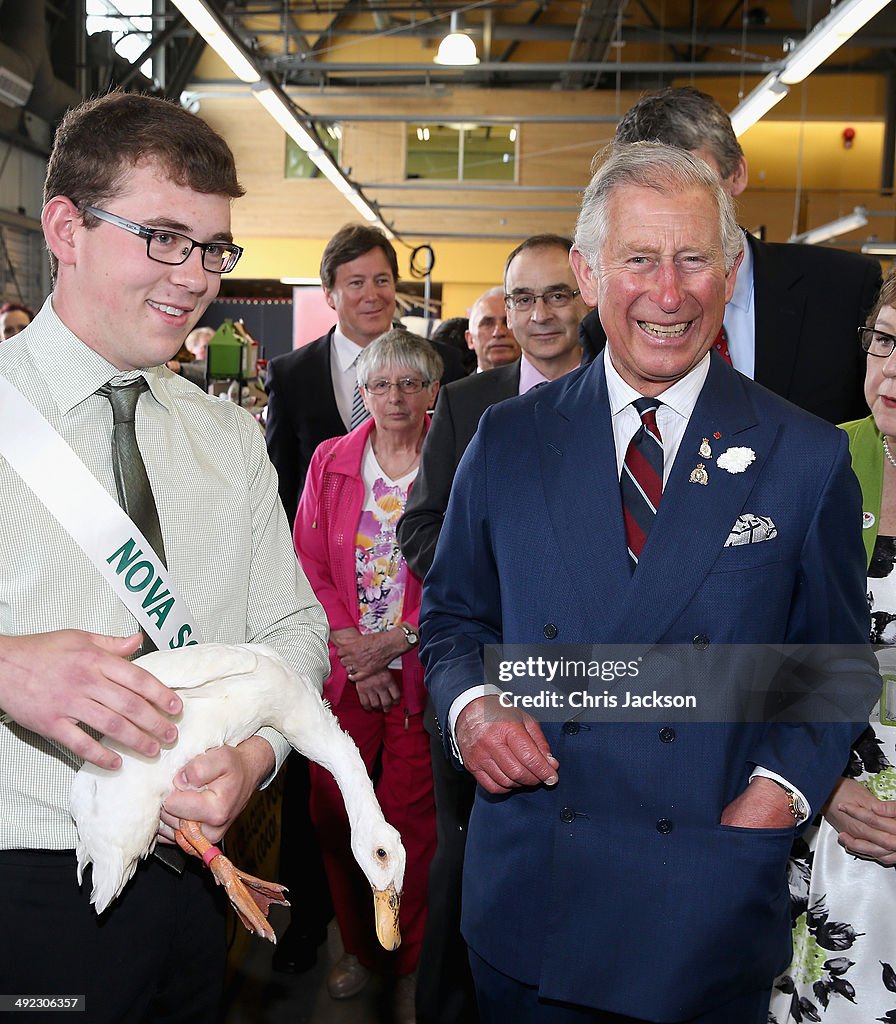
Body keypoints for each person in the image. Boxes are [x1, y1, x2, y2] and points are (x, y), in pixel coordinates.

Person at [419, 142, 880, 1024]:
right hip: (535, 900)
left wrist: (779, 793)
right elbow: (451, 619)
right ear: (590, 274)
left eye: (693, 259)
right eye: (638, 260)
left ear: (732, 269)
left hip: (704, 896)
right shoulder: (509, 441)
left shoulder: (805, 455)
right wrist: (474, 708)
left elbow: (835, 662)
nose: (668, 295)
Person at [0, 91, 329, 1022]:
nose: (196, 277)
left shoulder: (225, 438)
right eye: (164, 237)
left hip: (190, 881)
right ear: (65, 227)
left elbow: (294, 627)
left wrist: (258, 756)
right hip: (22, 871)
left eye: (215, 247)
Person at [398, 233, 588, 1024]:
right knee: (466, 861)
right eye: (521, 298)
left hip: (595, 681)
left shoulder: (628, 400)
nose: (538, 314)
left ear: (586, 294)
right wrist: (506, 576)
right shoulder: (473, 406)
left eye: (555, 295)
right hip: (484, 668)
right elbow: (420, 530)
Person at [294, 326, 440, 1024]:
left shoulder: (456, 460)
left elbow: (462, 570)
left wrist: (396, 644)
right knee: (333, 811)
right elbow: (309, 563)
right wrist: (356, 649)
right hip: (345, 672)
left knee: (411, 823)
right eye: (382, 384)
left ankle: (406, 962)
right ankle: (356, 947)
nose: (396, 397)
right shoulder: (331, 461)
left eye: (411, 383)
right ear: (363, 392)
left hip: (417, 677)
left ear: (433, 390)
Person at [769, 272, 896, 1022]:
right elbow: (748, 657)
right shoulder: (814, 463)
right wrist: (817, 785)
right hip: (820, 810)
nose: (894, 370)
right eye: (886, 341)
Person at [611, 85, 881, 425]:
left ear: (736, 174)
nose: (671, 205)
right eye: (647, 185)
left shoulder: (844, 290)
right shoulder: (611, 321)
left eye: (694, 177)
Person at [265, 223, 467, 528]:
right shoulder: (290, 375)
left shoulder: (444, 364)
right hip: (322, 559)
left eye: (381, 280)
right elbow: (281, 484)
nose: (372, 295)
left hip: (421, 552)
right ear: (330, 294)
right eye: (356, 283)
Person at [464, 287, 520, 373]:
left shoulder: (545, 385)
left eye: (508, 322)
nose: (498, 332)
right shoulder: (453, 387)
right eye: (487, 324)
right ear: (470, 339)